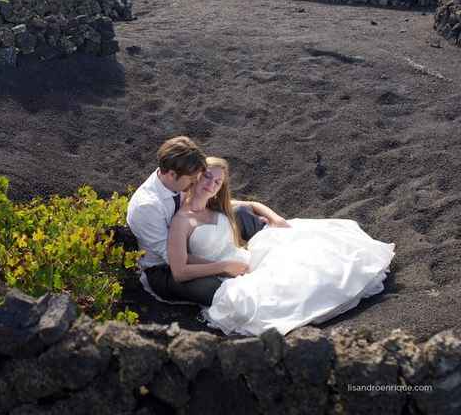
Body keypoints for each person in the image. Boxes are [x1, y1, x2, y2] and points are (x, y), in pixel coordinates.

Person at [168, 156, 395, 336]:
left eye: (217, 182)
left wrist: (275, 219)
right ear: (196, 176)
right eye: (208, 177)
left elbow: (253, 205)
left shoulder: (217, 206)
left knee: (316, 255)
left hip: (248, 257)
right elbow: (179, 272)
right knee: (272, 298)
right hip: (229, 272)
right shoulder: (182, 221)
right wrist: (224, 266)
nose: (211, 184)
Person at [126, 136, 282, 306]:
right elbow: (174, 260)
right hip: (164, 269)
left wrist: (256, 206)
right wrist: (222, 266)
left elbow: (209, 198)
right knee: (217, 290)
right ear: (171, 174)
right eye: (193, 179)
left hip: (192, 241)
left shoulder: (178, 176)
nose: (196, 182)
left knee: (242, 212)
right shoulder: (147, 207)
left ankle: (275, 237)